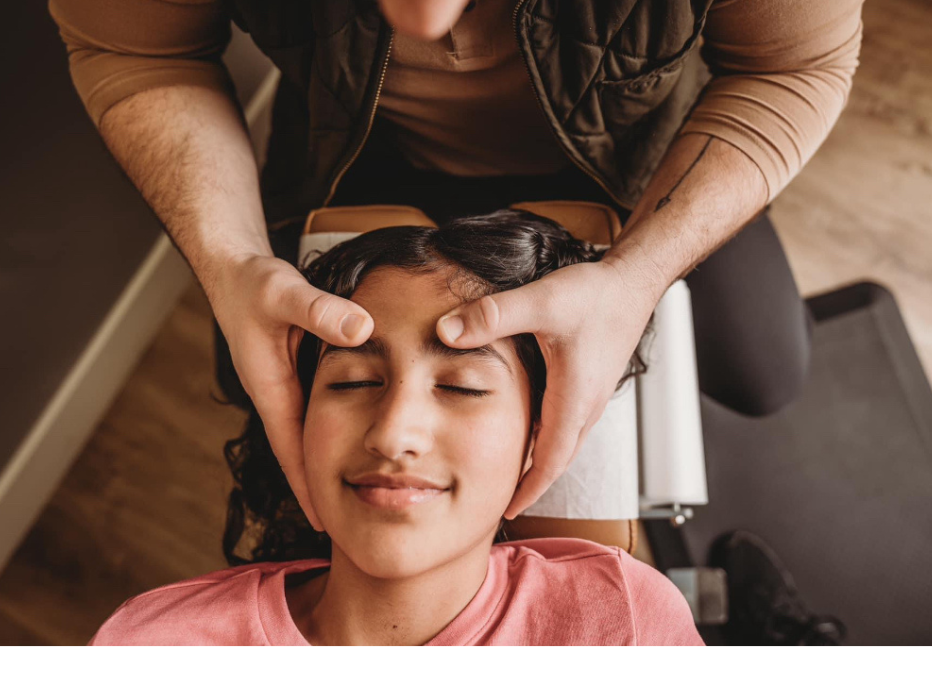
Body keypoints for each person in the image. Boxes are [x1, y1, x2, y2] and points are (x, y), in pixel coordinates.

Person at [38, 0, 868, 524]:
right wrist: (228, 262)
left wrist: (639, 274)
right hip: (357, 150)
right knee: (247, 369)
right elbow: (138, 52)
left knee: (766, 372)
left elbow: (791, 67)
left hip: (635, 161)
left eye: (466, 384)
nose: (426, 14)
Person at [89, 210, 700, 647]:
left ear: (540, 436)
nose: (392, 434)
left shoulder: (621, 621)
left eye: (462, 387)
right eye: (353, 382)